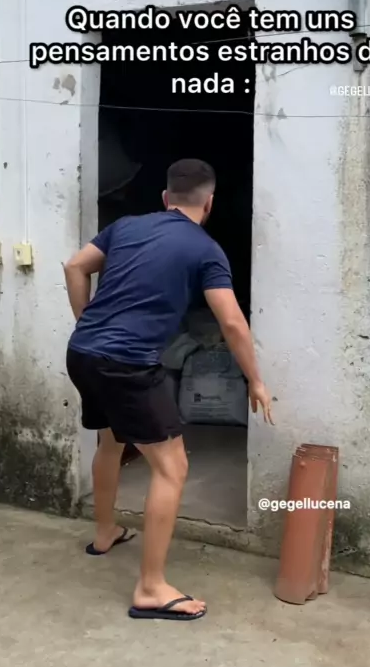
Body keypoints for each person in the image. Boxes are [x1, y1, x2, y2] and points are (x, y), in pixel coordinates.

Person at [64, 158, 273, 621]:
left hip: (82, 354)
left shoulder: (126, 227)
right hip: (127, 366)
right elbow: (232, 322)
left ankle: (104, 533)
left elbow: (75, 266)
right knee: (172, 466)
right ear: (209, 203)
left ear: (165, 198)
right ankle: (151, 588)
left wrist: (86, 323)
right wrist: (256, 381)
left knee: (111, 441)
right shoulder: (206, 249)